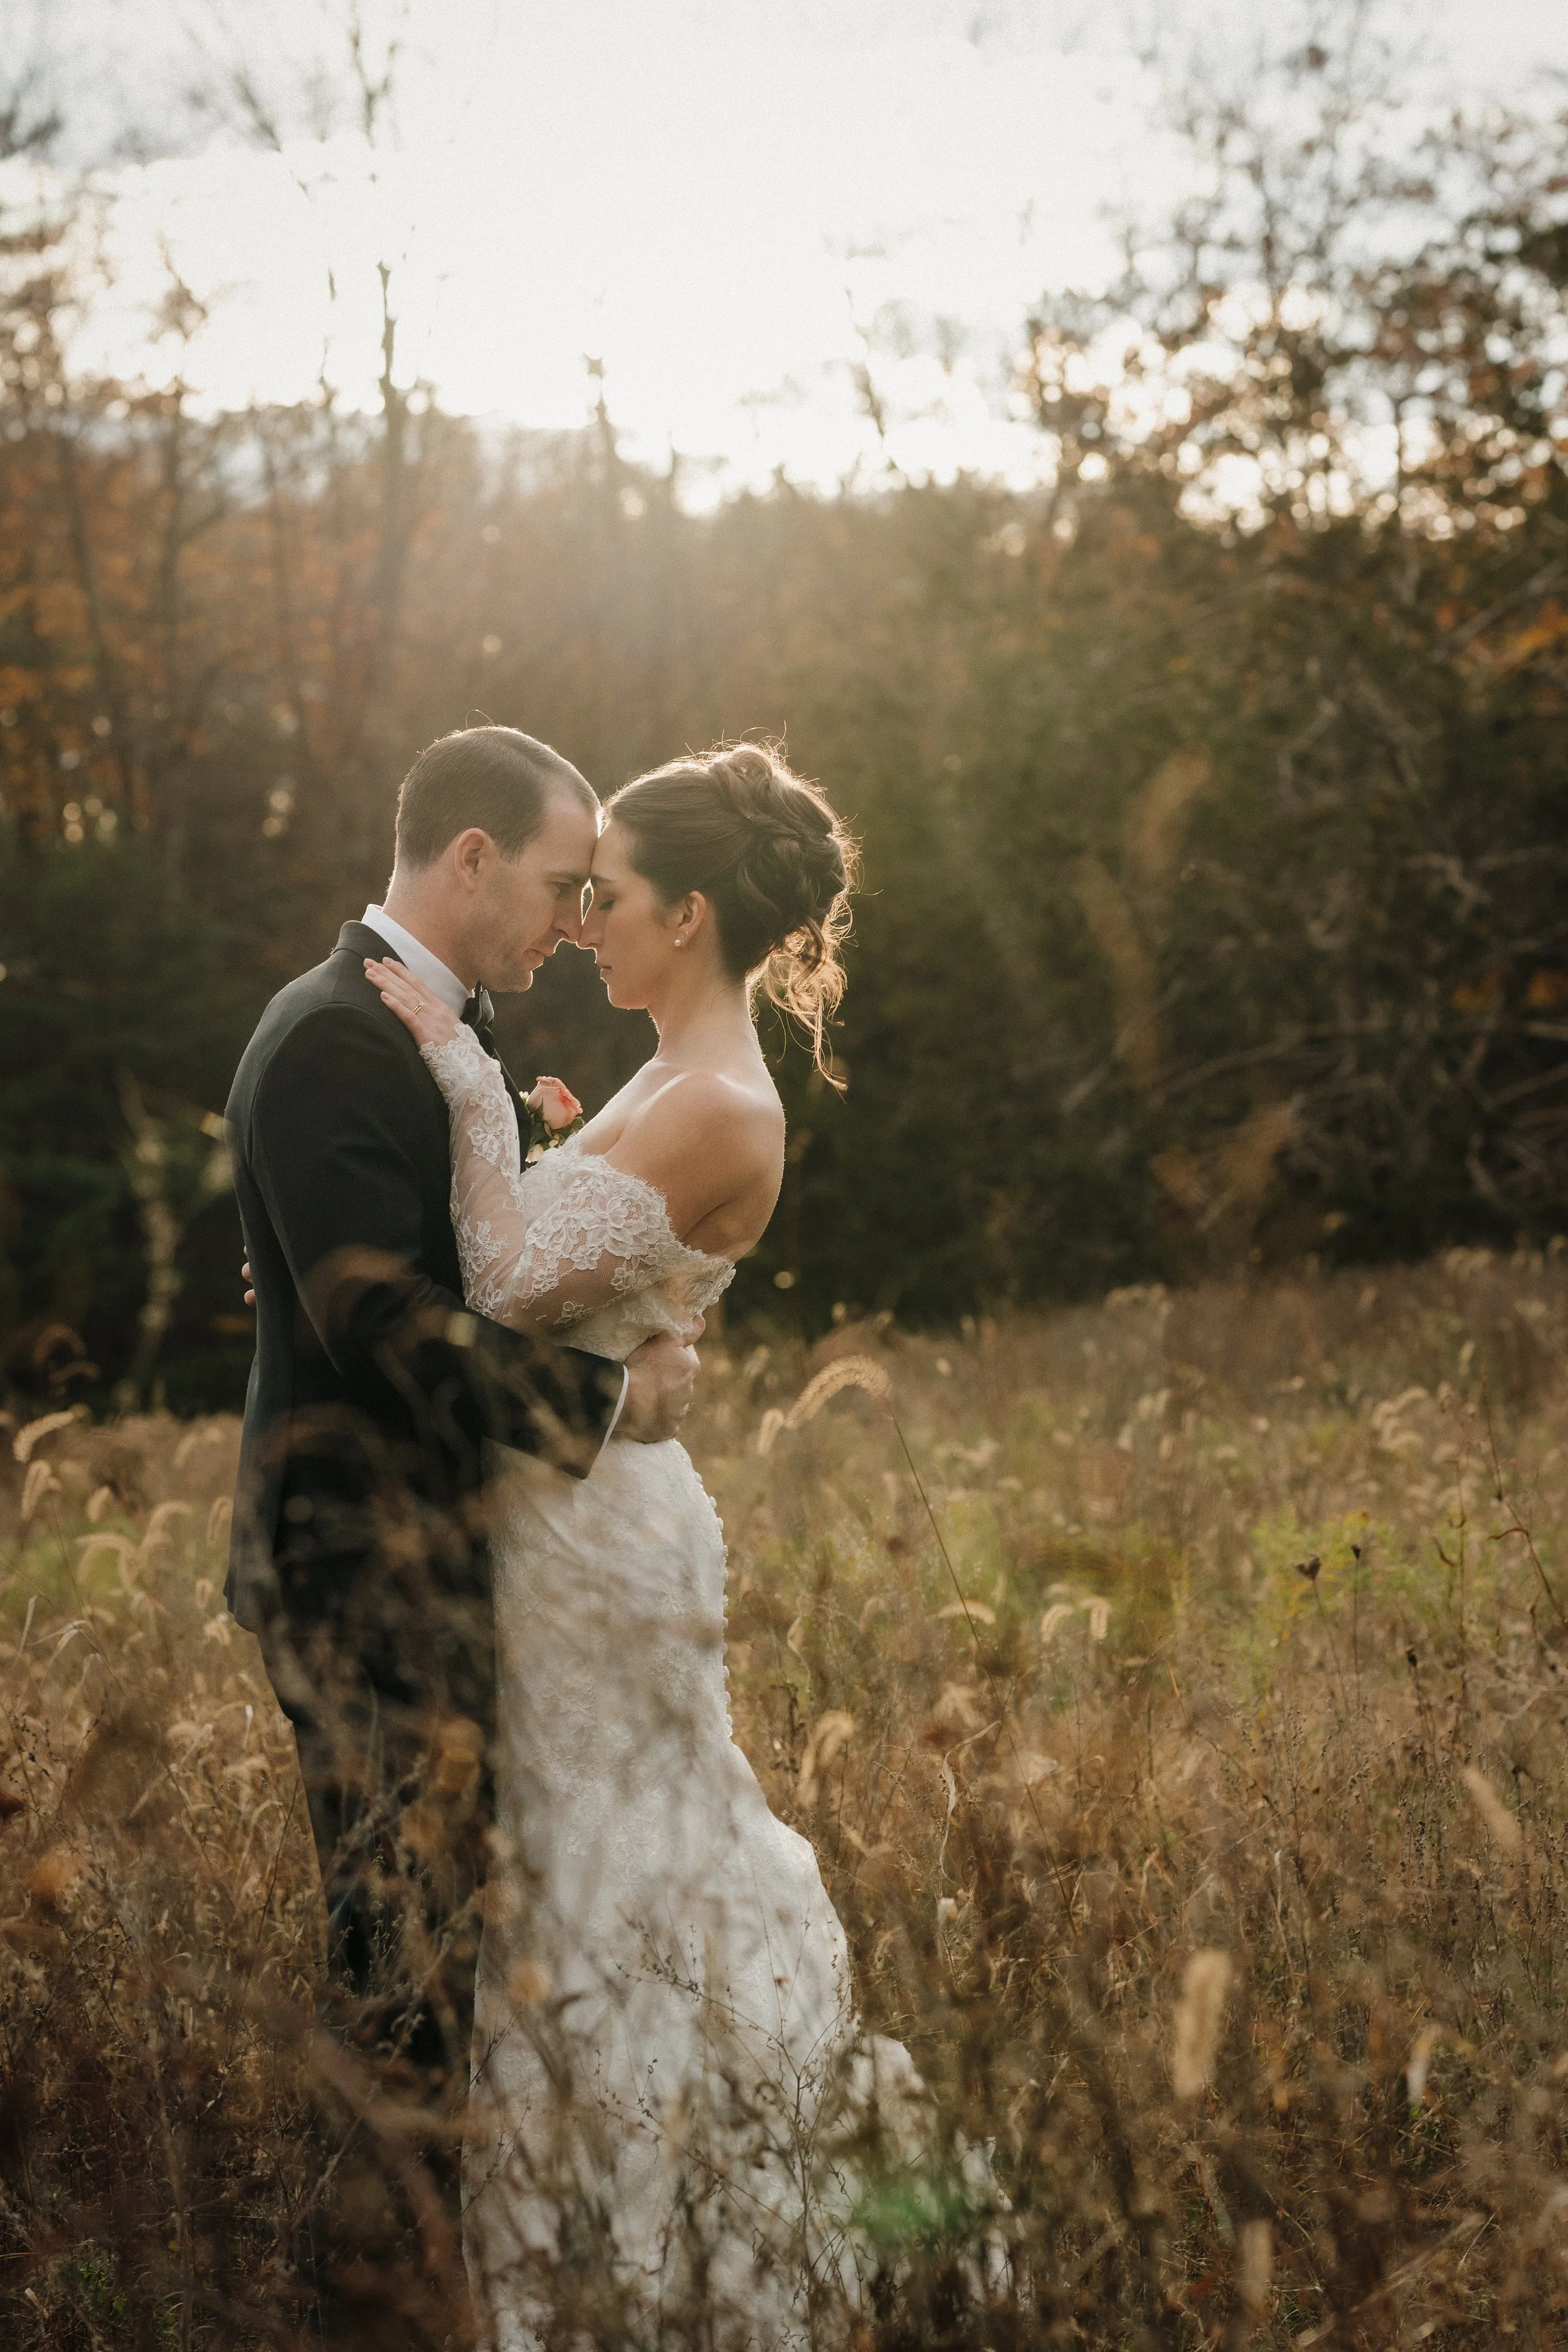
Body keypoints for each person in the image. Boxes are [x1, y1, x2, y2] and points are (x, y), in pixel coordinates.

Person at [367, 741, 931, 2351]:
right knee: (573, 1857)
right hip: (574, 1497)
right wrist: (554, 1161)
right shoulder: (668, 1077)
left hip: (597, 1539)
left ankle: (622, 2265)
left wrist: (468, 1090)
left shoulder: (715, 1099)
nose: (578, 923)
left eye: (601, 897)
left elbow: (494, 1277)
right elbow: (568, 1266)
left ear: (685, 914)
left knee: (604, 1869)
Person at [223, 727, 697, 2306]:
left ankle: (414, 2269)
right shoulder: (331, 1038)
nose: (573, 918)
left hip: (430, 1551)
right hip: (357, 1564)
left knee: (442, 1944)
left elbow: (392, 1255)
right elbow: (383, 1322)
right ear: (472, 858)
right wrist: (611, 1406)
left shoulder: (426, 1028)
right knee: (397, 1954)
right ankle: (362, 2294)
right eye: (561, 883)